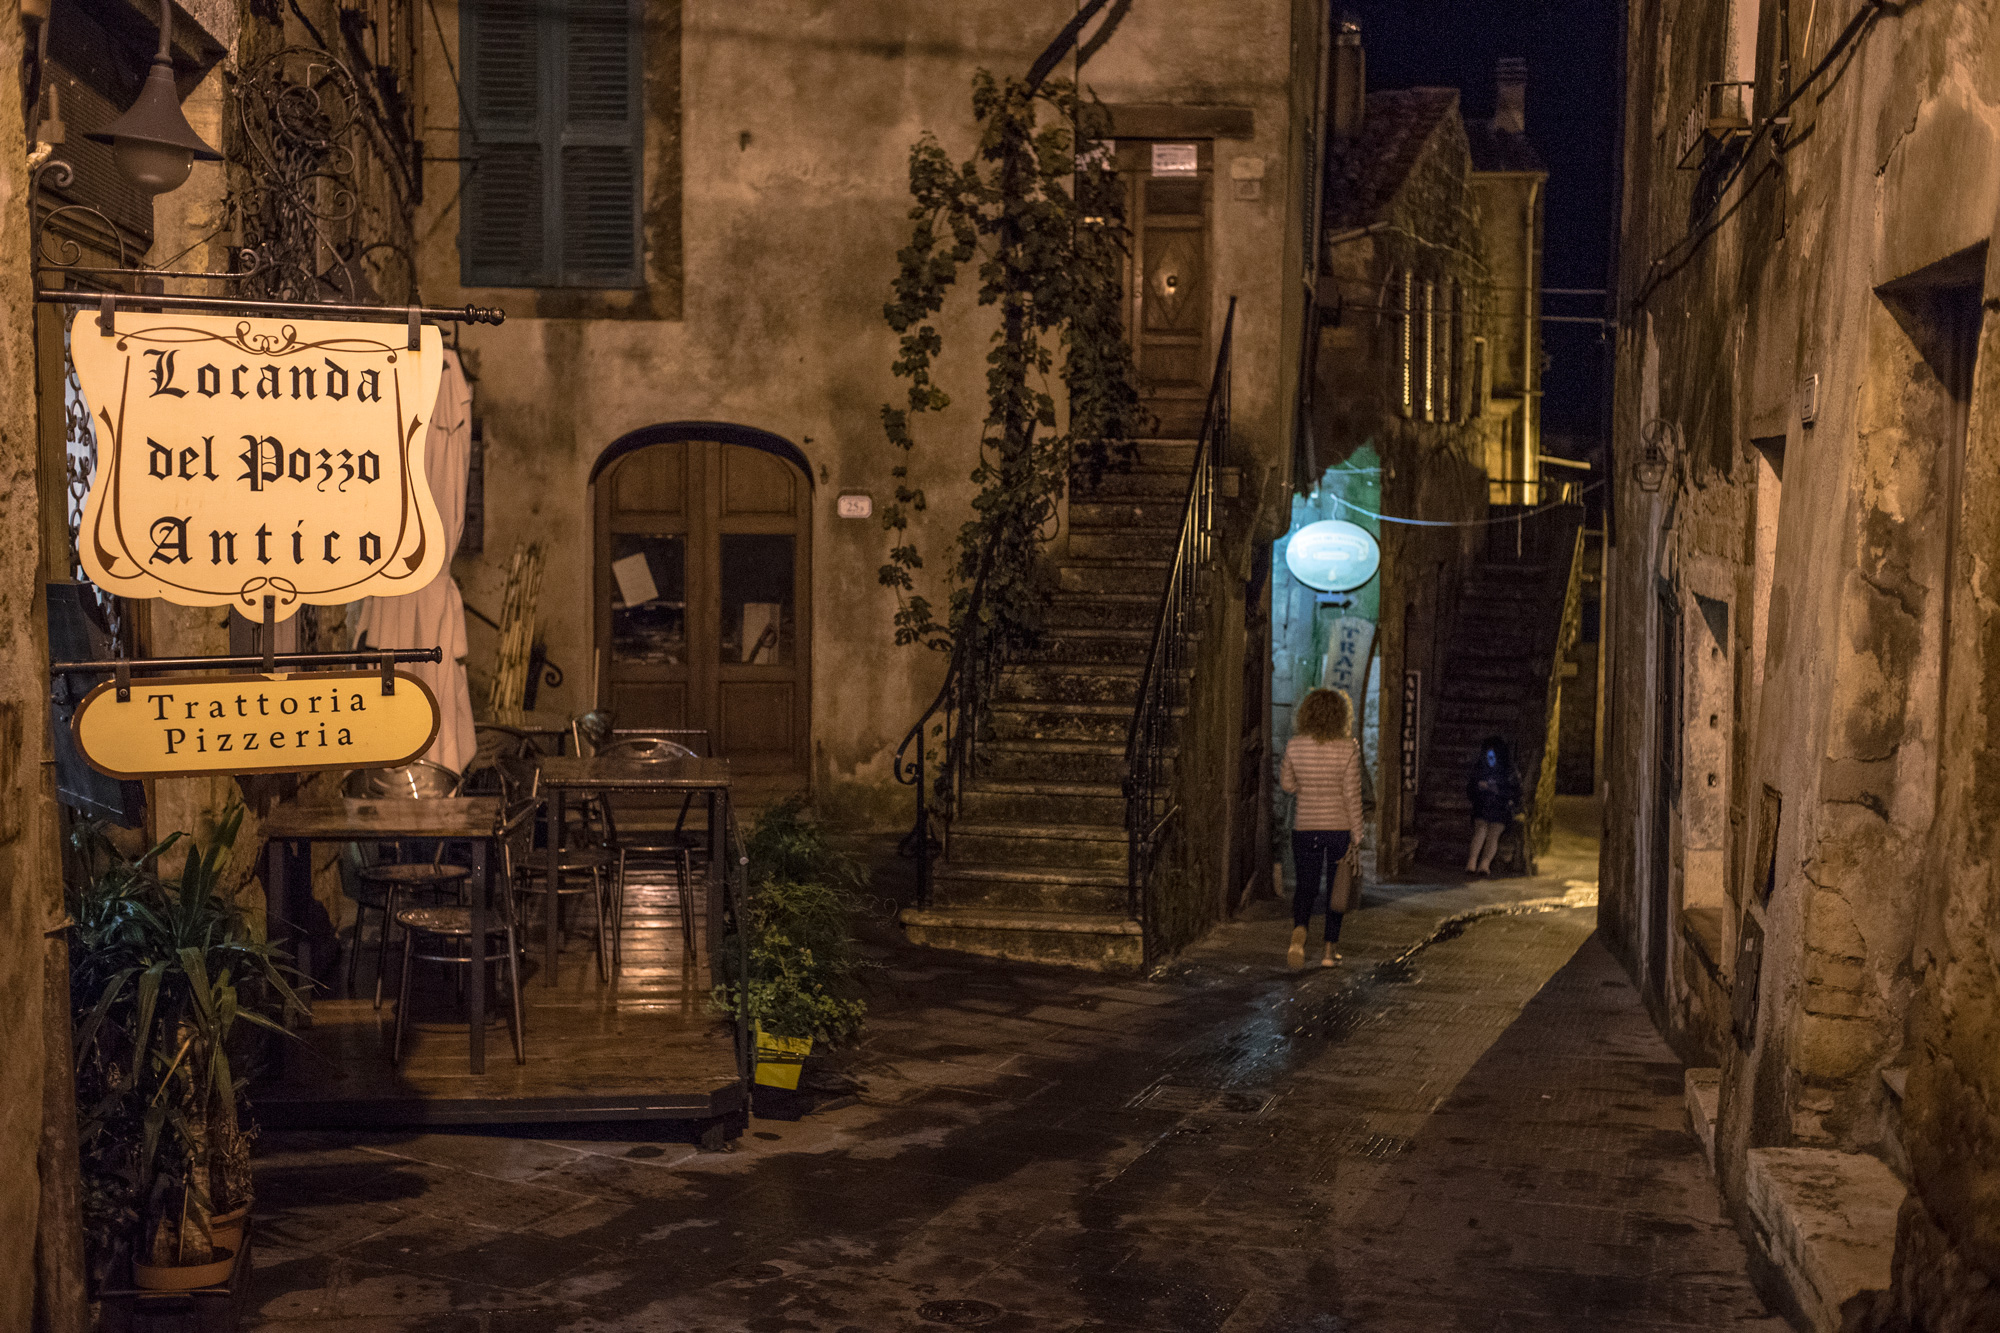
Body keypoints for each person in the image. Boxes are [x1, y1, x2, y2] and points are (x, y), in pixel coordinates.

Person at [1279, 687, 1365, 968]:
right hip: (1338, 829)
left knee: (1306, 886)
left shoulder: (1295, 746)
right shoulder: (1348, 748)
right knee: (1336, 890)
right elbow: (1352, 794)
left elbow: (1288, 786)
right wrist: (1358, 833)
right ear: (1340, 716)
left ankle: (1299, 934)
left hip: (1305, 826)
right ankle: (1329, 952)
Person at [1466, 734, 1523, 875]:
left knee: (1494, 833)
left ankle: (1484, 864)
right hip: (1483, 806)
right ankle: (1472, 862)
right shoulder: (1480, 767)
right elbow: (1470, 789)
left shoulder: (1508, 771)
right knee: (1481, 829)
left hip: (1501, 809)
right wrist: (1480, 787)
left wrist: (1498, 790)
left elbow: (1515, 792)